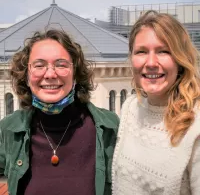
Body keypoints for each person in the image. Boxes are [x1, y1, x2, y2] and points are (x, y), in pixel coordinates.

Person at [0, 29, 119, 195]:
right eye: (39, 65)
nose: (50, 74)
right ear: (27, 76)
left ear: (75, 74)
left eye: (61, 65)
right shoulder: (8, 130)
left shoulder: (110, 129)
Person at [112, 10, 200, 195]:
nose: (151, 62)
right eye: (142, 52)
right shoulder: (130, 108)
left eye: (163, 51)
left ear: (180, 60)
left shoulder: (196, 125)